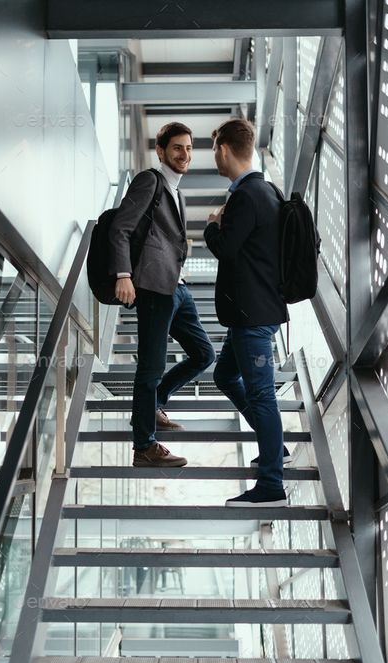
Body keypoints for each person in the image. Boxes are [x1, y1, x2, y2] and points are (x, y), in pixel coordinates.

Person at [109, 122, 215, 467]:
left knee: (203, 354)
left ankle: (154, 404)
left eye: (188, 149)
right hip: (153, 287)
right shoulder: (149, 181)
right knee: (151, 367)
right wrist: (124, 274)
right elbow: (120, 228)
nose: (184, 155)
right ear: (161, 151)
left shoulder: (178, 193)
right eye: (177, 148)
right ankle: (144, 446)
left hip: (178, 288)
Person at [204, 118, 290, 506]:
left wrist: (212, 225)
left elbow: (225, 248)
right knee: (225, 375)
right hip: (254, 312)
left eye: (213, 150)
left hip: (253, 318)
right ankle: (275, 447)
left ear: (223, 149)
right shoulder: (267, 190)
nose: (214, 157)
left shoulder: (246, 195)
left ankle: (271, 482)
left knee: (261, 396)